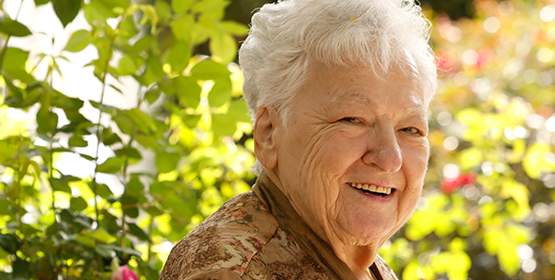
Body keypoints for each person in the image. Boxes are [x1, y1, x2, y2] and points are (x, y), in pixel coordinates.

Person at [159, 0, 437, 279]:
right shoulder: (230, 272)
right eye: (352, 120)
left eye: (410, 130)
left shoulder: (361, 265)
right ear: (268, 134)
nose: (390, 159)